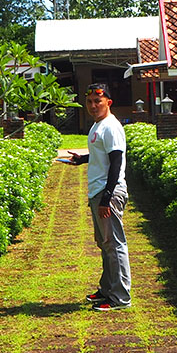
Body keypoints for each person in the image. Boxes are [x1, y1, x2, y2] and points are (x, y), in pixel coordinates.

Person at [65, 83, 131, 311]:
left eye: (98, 101)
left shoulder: (111, 127)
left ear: (108, 103)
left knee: (114, 245)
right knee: (105, 244)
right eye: (90, 102)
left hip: (107, 192)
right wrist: (82, 160)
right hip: (98, 191)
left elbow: (116, 164)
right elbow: (100, 156)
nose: (93, 106)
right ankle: (107, 289)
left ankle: (120, 298)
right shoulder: (98, 126)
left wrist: (107, 199)